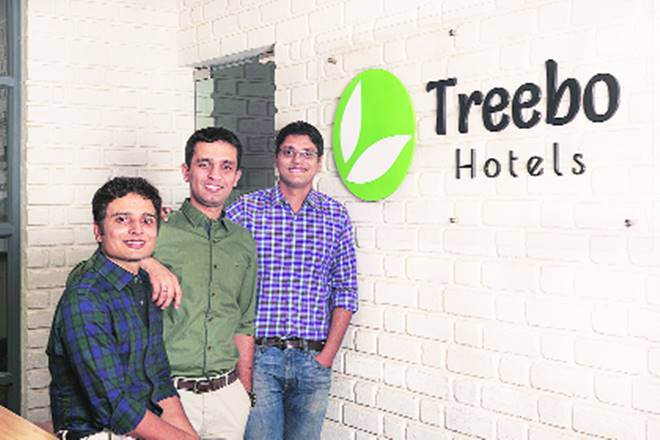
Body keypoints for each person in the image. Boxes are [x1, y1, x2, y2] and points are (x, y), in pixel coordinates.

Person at [225, 121, 358, 439]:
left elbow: (346, 290)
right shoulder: (246, 210)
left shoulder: (335, 216)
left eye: (307, 153)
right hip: (259, 359)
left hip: (313, 361)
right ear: (276, 158)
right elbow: (212, 253)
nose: (297, 160)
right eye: (288, 152)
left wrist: (327, 356)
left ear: (319, 162)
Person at [47, 177, 198, 440]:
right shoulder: (85, 298)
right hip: (95, 433)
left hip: (141, 425)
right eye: (122, 219)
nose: (137, 230)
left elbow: (158, 379)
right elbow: (115, 407)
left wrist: (190, 437)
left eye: (147, 220)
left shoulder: (144, 284)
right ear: (98, 231)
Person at [142, 126, 258, 440]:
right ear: (186, 171)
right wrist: (148, 262)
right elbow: (106, 262)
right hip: (168, 396)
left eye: (226, 167)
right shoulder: (157, 230)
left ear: (236, 177)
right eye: (204, 164)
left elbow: (244, 322)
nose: (214, 175)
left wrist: (243, 393)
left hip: (228, 397)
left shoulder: (243, 242)